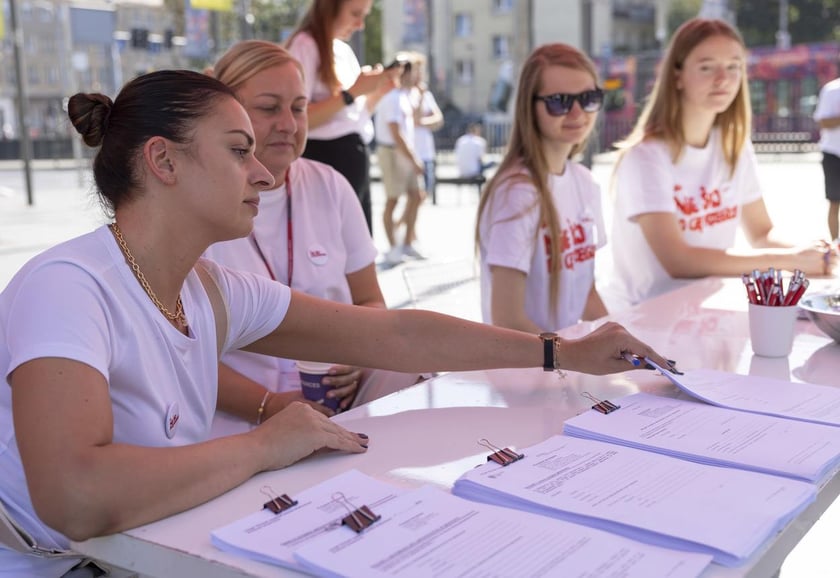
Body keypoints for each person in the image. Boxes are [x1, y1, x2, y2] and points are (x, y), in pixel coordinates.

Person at [0, 69, 670, 576]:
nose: (263, 174)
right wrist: (265, 443)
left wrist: (562, 351)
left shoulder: (203, 287)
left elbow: (392, 335)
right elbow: (74, 497)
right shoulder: (69, 287)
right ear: (163, 161)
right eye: (239, 150)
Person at [204, 40, 422, 436]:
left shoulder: (330, 186)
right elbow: (180, 352)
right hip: (239, 429)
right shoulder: (196, 203)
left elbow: (370, 300)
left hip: (342, 411)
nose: (289, 124)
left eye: (299, 107)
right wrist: (267, 405)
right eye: (269, 108)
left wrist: (358, 348)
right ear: (225, 112)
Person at [605, 18, 834, 311]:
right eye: (706, 67)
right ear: (676, 75)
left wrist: (812, 252)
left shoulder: (733, 145)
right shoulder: (645, 156)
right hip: (645, 319)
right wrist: (788, 260)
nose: (723, 79)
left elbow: (762, 233)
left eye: (733, 66)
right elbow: (678, 261)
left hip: (706, 309)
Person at [476, 43, 608, 333]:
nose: (576, 112)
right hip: (529, 370)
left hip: (567, 364)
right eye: (559, 101)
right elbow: (507, 320)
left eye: (588, 98)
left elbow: (586, 294)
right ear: (529, 107)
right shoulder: (519, 192)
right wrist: (576, 357)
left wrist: (621, 345)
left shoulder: (585, 181)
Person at [286, 0, 397, 234]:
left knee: (357, 243)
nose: (360, 25)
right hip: (325, 158)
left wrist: (376, 91)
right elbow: (297, 118)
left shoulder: (341, 49)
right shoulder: (305, 45)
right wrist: (353, 92)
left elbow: (353, 117)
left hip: (350, 154)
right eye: (356, 14)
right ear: (330, 8)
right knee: (334, 242)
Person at [374, 52, 426, 265]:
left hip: (403, 152)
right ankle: (393, 247)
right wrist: (414, 159)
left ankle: (407, 243)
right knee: (393, 200)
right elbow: (396, 132)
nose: (417, 75)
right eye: (414, 71)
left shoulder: (404, 95)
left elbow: (416, 119)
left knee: (417, 195)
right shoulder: (392, 97)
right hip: (393, 152)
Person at [813, 69, 840, 240]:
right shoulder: (832, 89)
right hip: (833, 154)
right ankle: (836, 245)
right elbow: (823, 122)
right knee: (835, 202)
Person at [413, 66, 444, 203]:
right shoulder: (409, 94)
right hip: (413, 152)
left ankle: (402, 223)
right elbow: (415, 119)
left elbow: (438, 119)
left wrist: (422, 122)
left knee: (425, 193)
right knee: (414, 196)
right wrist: (419, 98)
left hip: (426, 151)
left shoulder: (427, 95)